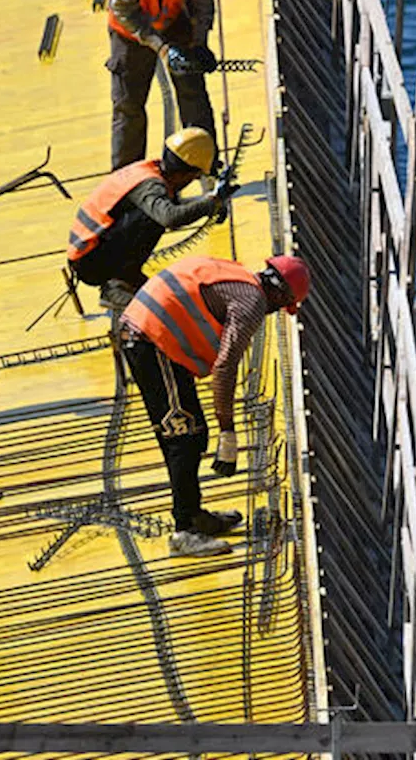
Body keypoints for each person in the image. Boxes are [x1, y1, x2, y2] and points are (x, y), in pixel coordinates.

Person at [119, 255, 311, 556]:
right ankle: (184, 531)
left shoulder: (239, 276)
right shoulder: (252, 304)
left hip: (150, 333)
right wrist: (228, 430)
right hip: (150, 340)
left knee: (188, 433)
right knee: (184, 437)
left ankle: (193, 514)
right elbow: (224, 368)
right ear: (280, 295)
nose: (272, 313)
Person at [67, 127, 236, 315]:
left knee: (156, 211)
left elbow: (176, 205)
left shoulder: (152, 172)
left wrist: (210, 203)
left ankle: (126, 276)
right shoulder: (150, 186)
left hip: (93, 252)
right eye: (195, 176)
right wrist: (210, 202)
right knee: (153, 218)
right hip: (91, 262)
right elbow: (171, 217)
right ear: (183, 173)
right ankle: (117, 285)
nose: (193, 181)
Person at [105, 0, 218, 171]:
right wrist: (164, 49)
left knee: (193, 91)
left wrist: (200, 41)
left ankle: (205, 161)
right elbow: (125, 11)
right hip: (130, 33)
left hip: (173, 16)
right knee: (128, 107)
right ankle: (126, 178)